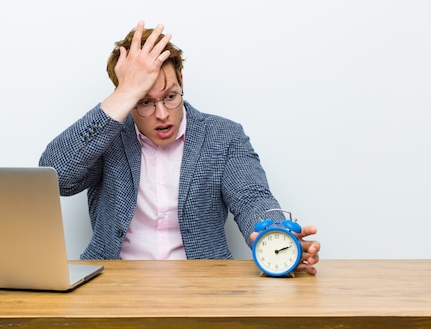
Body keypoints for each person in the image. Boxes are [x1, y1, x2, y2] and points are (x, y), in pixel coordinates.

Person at [39, 21, 320, 274]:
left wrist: (272, 232)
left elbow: (252, 198)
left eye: (171, 96)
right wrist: (125, 93)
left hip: (203, 289)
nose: (162, 113)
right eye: (145, 102)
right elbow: (55, 178)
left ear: (181, 81)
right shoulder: (108, 138)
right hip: (112, 287)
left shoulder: (224, 135)